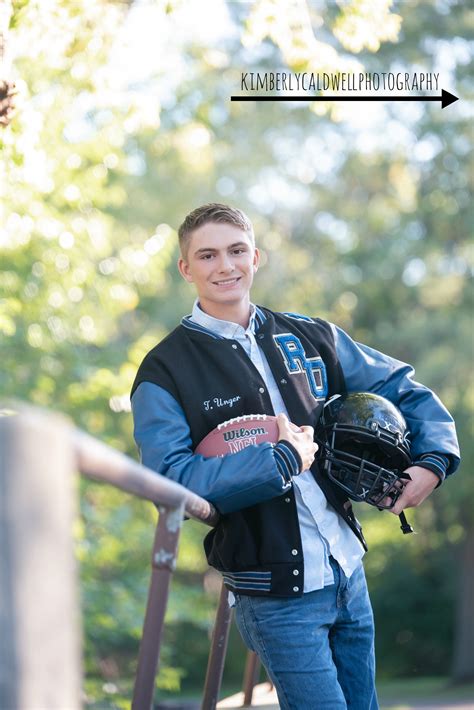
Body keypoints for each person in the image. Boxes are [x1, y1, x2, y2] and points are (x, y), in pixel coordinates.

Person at [130, 203, 460, 710]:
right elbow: (170, 480)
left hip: (348, 571)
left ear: (256, 256)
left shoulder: (309, 336)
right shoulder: (164, 371)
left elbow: (402, 387)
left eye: (237, 250)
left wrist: (433, 460)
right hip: (276, 596)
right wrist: (278, 461)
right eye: (208, 255)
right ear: (185, 267)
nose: (226, 266)